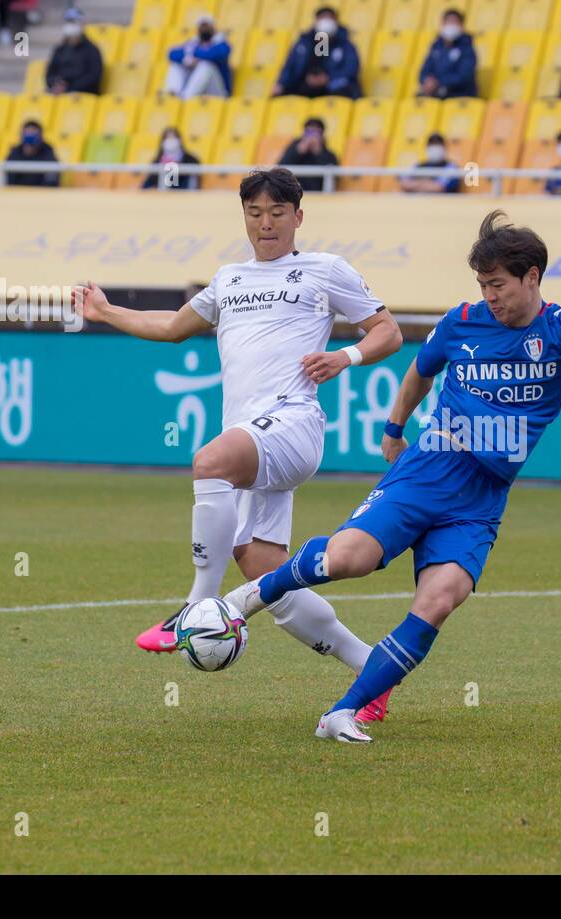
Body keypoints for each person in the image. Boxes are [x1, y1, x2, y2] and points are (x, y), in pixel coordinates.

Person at [219, 212, 561, 743]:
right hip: (430, 467)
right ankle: (243, 601)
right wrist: (394, 426)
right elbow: (420, 369)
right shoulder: (461, 321)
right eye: (483, 285)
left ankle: (342, 712)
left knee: (439, 600)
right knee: (349, 559)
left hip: (480, 499)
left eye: (498, 285)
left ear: (532, 278)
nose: (490, 296)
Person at [73, 168, 405, 722]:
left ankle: (196, 605)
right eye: (255, 213)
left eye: (277, 212)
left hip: (293, 425)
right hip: (254, 438)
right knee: (267, 578)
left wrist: (344, 357)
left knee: (209, 461)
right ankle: (372, 670)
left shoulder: (324, 270)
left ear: (298, 217)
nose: (266, 223)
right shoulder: (229, 279)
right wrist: (106, 312)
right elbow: (171, 327)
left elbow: (387, 330)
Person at [273, 7, 361, 99]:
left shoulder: (345, 45)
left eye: (329, 18)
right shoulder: (304, 43)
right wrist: (281, 83)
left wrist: (327, 78)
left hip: (333, 86)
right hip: (306, 85)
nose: (326, 22)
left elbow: (351, 68)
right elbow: (291, 67)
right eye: (323, 18)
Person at [164, 14, 232, 99]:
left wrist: (194, 57)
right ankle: (173, 94)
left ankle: (185, 99)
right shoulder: (194, 43)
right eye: (202, 26)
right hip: (199, 90)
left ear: (213, 27)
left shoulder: (221, 43)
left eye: (206, 26)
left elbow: (213, 55)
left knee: (206, 66)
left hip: (218, 92)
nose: (204, 29)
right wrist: (188, 60)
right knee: (176, 65)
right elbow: (172, 54)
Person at [418, 9, 477, 99]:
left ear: (461, 26)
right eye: (448, 22)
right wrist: (426, 81)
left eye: (454, 22)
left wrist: (438, 82)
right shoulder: (436, 47)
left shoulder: (467, 49)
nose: (450, 25)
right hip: (436, 93)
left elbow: (464, 76)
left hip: (458, 95)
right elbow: (424, 70)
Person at [46, 8, 103, 95]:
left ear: (82, 24)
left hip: (83, 96)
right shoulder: (60, 50)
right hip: (60, 93)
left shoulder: (91, 50)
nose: (70, 25)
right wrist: (55, 84)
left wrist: (70, 88)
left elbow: (93, 77)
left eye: (73, 22)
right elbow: (50, 73)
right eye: (68, 22)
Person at [278, 117, 339, 193]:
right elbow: (281, 167)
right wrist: (298, 151)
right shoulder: (294, 148)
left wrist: (318, 152)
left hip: (318, 195)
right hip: (293, 193)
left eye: (316, 133)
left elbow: (334, 174)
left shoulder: (328, 154)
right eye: (309, 132)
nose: (312, 137)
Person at [3, 120, 59, 188]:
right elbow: (9, 178)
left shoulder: (48, 152)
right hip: (17, 193)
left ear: (40, 136)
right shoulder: (15, 152)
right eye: (27, 134)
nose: (30, 138)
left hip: (41, 193)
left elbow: (52, 180)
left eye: (33, 134)